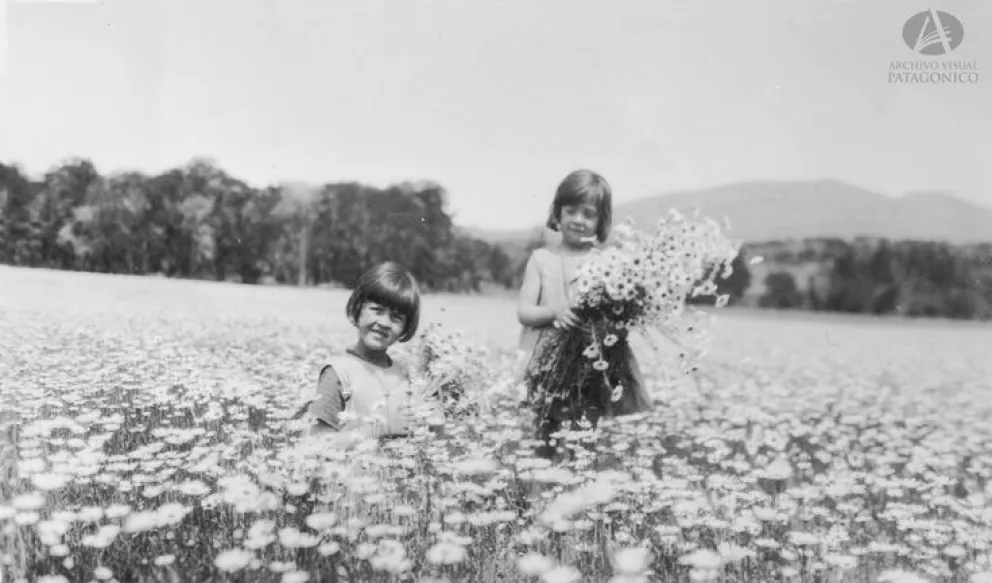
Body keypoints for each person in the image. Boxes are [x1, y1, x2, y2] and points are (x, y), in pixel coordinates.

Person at [517, 169, 653, 459]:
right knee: (545, 439)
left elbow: (617, 316)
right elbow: (525, 312)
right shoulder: (542, 260)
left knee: (584, 442)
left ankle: (578, 497)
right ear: (557, 212)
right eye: (571, 211)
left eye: (588, 214)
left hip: (590, 369)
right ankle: (537, 497)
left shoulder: (607, 265)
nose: (578, 220)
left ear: (600, 221)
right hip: (547, 367)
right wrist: (554, 312)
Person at [301, 262, 443, 443]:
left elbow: (433, 441)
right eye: (377, 310)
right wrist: (379, 429)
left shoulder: (407, 376)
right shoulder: (338, 373)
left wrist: (436, 414)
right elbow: (316, 442)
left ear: (406, 328)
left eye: (396, 317)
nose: (384, 322)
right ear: (358, 309)